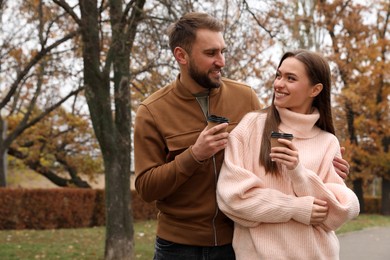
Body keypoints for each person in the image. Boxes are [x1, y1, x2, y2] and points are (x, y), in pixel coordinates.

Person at [134, 12, 351, 260]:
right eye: (211, 53)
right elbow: (146, 188)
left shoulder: (245, 98)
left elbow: (272, 159)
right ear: (181, 56)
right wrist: (194, 155)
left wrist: (323, 168)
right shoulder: (152, 111)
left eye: (222, 51)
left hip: (234, 244)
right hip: (178, 245)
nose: (221, 61)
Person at [216, 49, 360, 260]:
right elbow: (233, 198)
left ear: (315, 89)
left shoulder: (328, 142)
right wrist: (295, 208)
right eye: (278, 75)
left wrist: (298, 172)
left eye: (290, 78)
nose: (278, 84)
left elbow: (334, 215)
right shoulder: (251, 127)